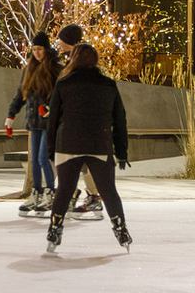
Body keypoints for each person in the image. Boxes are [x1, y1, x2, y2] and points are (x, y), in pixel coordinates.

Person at [44, 43, 132, 253]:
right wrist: (121, 152)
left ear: (73, 58)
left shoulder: (63, 84)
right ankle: (120, 229)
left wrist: (50, 149)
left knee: (64, 190)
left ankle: (55, 229)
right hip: (98, 143)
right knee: (108, 190)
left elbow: (53, 119)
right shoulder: (108, 85)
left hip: (68, 143)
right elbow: (120, 119)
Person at [53, 23, 104, 219]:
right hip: (76, 120)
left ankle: (92, 196)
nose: (59, 43)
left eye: (62, 40)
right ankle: (79, 194)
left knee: (81, 162)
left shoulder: (76, 64)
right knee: (78, 162)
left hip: (80, 121)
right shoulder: (70, 61)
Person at [6, 33, 59, 216]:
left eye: (40, 49)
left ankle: (51, 192)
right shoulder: (28, 69)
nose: (37, 53)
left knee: (43, 158)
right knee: (34, 161)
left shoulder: (54, 69)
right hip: (33, 121)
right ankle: (37, 193)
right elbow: (21, 93)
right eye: (34, 49)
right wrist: (11, 115)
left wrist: (50, 108)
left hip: (48, 121)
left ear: (46, 49)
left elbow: (58, 95)